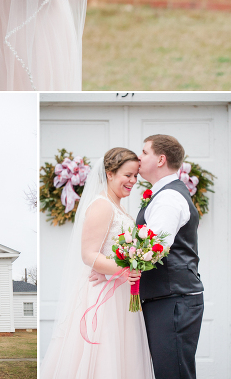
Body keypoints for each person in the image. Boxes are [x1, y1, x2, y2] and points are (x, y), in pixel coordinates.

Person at [40, 148, 154, 379]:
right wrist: (125, 269)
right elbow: (89, 255)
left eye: (135, 176)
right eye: (127, 175)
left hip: (121, 292)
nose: (133, 181)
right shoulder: (102, 205)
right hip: (103, 297)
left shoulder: (118, 206)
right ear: (110, 173)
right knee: (105, 357)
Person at [136, 135, 203, 379]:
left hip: (173, 300)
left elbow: (153, 249)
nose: (138, 158)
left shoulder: (168, 198)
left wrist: (112, 270)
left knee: (172, 373)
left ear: (161, 159)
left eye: (144, 152)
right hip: (168, 297)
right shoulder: (163, 194)